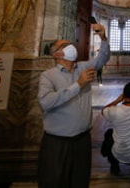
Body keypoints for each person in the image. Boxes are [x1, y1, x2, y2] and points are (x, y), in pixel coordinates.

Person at [37, 23, 110, 188]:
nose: (71, 46)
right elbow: (45, 102)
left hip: (82, 140)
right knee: (54, 181)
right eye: (65, 45)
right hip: (57, 143)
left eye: (70, 43)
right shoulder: (48, 76)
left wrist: (103, 38)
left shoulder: (83, 67)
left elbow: (102, 58)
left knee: (80, 180)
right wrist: (78, 84)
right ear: (57, 54)